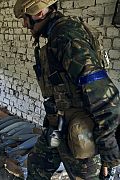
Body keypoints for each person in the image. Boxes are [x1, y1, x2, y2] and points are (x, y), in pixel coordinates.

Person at [13, 0, 120, 179]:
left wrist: (108, 145)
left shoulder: (65, 36)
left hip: (81, 133)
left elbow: (102, 92)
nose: (24, 24)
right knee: (37, 165)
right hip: (58, 126)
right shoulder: (57, 34)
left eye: (24, 18)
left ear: (39, 14)